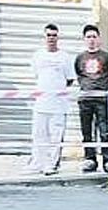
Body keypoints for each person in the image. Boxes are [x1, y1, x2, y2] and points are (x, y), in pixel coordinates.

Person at [26, 23, 76, 176]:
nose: (51, 38)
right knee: (39, 134)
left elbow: (70, 79)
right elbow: (37, 75)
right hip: (41, 103)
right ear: (44, 37)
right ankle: (37, 163)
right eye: (48, 35)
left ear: (58, 37)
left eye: (54, 35)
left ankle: (51, 164)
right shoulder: (37, 56)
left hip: (59, 105)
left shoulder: (65, 57)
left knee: (55, 136)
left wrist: (58, 90)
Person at [75, 24, 108, 174]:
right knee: (87, 130)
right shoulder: (80, 57)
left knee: (104, 130)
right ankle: (90, 159)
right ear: (84, 39)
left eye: (94, 36)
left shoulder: (105, 56)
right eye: (88, 37)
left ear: (98, 39)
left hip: (101, 99)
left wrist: (102, 89)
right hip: (85, 100)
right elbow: (78, 75)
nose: (91, 39)